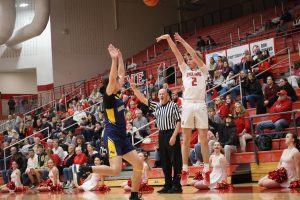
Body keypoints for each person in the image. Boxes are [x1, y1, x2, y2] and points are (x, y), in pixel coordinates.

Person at [72, 45, 143, 200]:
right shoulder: (108, 97)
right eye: (117, 80)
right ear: (110, 84)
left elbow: (121, 73)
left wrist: (121, 55)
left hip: (122, 136)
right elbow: (113, 78)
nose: (120, 80)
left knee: (138, 163)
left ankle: (135, 195)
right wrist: (113, 59)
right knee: (116, 170)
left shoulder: (117, 93)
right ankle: (86, 168)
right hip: (111, 136)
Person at [156, 33, 210, 186]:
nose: (188, 60)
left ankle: (206, 170)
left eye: (191, 58)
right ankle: (185, 169)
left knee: (203, 140)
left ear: (197, 59)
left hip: (200, 104)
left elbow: (192, 53)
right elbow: (176, 53)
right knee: (185, 140)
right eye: (188, 59)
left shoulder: (203, 69)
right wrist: (168, 39)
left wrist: (182, 40)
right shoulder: (185, 70)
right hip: (186, 104)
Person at [131, 83, 182, 194]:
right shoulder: (156, 105)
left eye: (163, 94)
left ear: (168, 96)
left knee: (176, 161)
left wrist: (174, 136)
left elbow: (179, 121)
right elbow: (143, 99)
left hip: (172, 133)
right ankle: (168, 185)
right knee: (165, 162)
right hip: (162, 134)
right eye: (159, 94)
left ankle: (177, 185)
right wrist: (135, 89)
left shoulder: (173, 105)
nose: (161, 95)